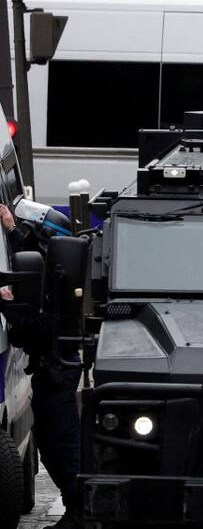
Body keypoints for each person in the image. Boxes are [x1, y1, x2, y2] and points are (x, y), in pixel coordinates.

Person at [0, 201, 83, 529]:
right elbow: (28, 260)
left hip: (56, 369)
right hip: (52, 369)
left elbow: (33, 329)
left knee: (62, 446)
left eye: (31, 232)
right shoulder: (51, 269)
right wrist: (10, 227)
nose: (26, 238)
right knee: (50, 445)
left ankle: (78, 513)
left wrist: (9, 308)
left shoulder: (55, 280)